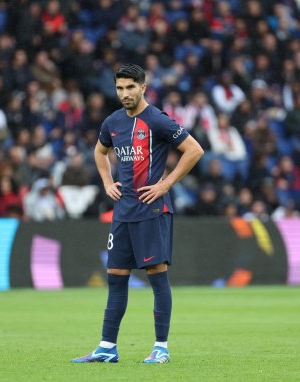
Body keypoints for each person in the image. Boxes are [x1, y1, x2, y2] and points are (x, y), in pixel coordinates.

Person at [73, 64, 203, 364]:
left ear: (143, 88)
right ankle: (107, 347)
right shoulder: (113, 122)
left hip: (152, 211)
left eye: (130, 87)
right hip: (123, 212)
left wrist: (166, 184)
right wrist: (107, 182)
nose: (125, 94)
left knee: (157, 278)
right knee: (116, 277)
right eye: (120, 88)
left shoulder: (157, 120)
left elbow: (194, 150)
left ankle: (161, 348)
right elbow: (99, 152)